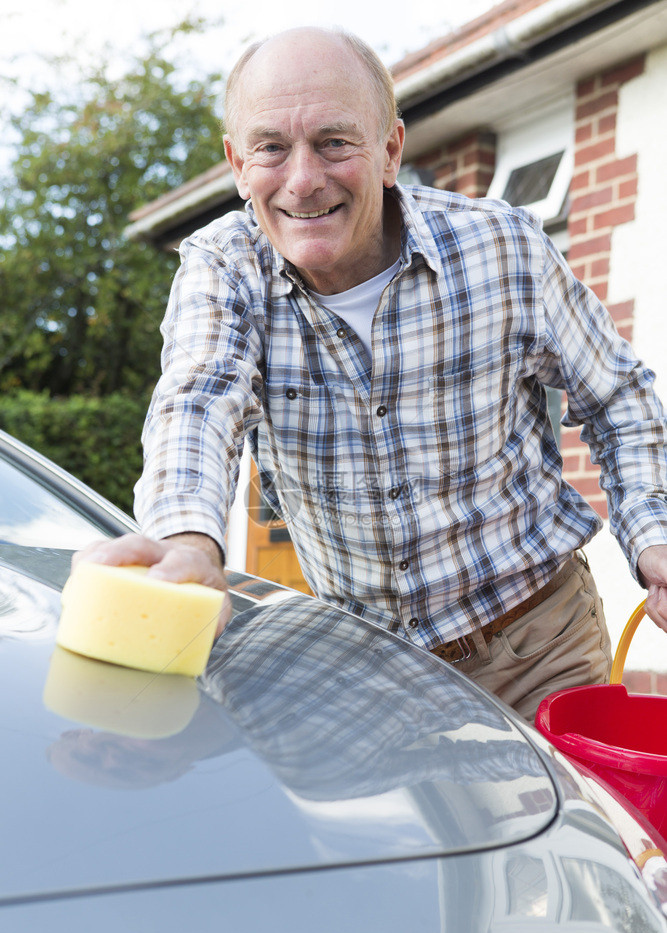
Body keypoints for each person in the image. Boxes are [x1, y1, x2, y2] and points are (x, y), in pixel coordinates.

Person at [77, 26, 667, 722]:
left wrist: (653, 538)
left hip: (540, 643)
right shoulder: (222, 266)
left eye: (334, 141)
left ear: (389, 150)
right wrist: (188, 544)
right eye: (271, 147)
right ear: (239, 165)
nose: (302, 179)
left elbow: (618, 398)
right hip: (365, 663)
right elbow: (198, 402)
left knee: (581, 832)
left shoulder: (503, 246)